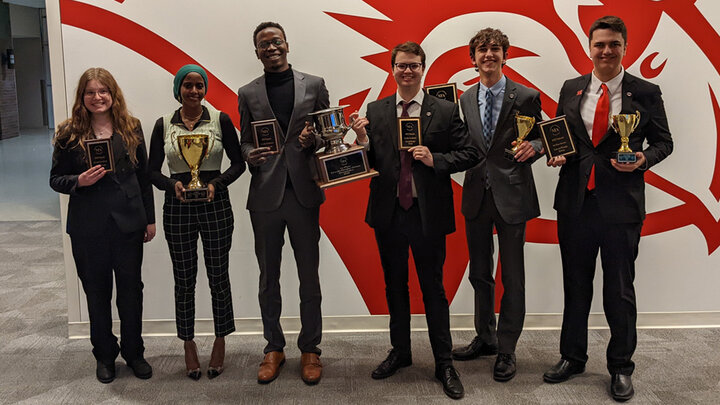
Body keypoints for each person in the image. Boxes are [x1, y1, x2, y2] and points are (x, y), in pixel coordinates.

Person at [542, 16, 673, 402]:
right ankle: (573, 357)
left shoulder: (645, 92)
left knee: (619, 290)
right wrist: (557, 153)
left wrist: (643, 159)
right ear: (589, 47)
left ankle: (620, 367)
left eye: (614, 44)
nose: (606, 51)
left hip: (621, 208)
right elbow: (565, 137)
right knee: (575, 286)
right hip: (575, 204)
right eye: (599, 44)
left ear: (624, 47)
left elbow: (665, 142)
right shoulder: (571, 87)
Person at [350, 41, 479, 400]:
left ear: (423, 69)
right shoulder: (375, 111)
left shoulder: (445, 109)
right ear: (392, 69)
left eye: (414, 66)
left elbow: (469, 153)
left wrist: (434, 159)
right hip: (389, 212)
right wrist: (361, 139)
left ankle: (443, 362)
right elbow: (370, 159)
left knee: (433, 289)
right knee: (395, 287)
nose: (408, 71)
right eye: (402, 66)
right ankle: (401, 352)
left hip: (427, 214)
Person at [50, 67, 155, 383]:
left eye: (103, 91)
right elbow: (55, 179)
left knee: (131, 293)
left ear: (113, 94)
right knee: (97, 295)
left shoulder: (131, 127)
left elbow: (144, 178)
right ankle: (105, 356)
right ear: (82, 97)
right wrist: (77, 181)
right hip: (87, 227)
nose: (97, 97)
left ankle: (134, 353)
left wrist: (149, 219)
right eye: (90, 92)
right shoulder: (68, 133)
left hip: (129, 225)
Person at [237, 22, 328, 385]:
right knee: (267, 278)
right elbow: (243, 140)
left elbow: (326, 133)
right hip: (265, 196)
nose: (271, 48)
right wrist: (250, 155)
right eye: (263, 44)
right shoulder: (247, 92)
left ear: (286, 45)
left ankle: (310, 349)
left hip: (304, 193)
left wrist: (313, 140)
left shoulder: (315, 84)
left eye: (276, 41)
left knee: (309, 277)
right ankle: (273, 347)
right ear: (256, 52)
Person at [451, 28, 543, 382]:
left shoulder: (527, 96)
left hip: (513, 195)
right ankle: (485, 336)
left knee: (512, 276)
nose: (488, 54)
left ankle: (507, 348)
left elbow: (543, 137)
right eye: (482, 49)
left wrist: (533, 148)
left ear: (506, 54)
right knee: (479, 274)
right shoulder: (464, 98)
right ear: (472, 58)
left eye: (495, 49)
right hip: (476, 194)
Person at [149, 64, 245, 380]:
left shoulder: (220, 120)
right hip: (177, 207)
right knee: (184, 278)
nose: (193, 91)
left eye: (199, 85)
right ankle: (188, 343)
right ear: (178, 88)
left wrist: (217, 184)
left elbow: (239, 163)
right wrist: (170, 185)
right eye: (187, 85)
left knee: (219, 275)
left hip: (215, 204)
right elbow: (150, 171)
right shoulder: (163, 124)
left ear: (205, 89)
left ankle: (220, 340)